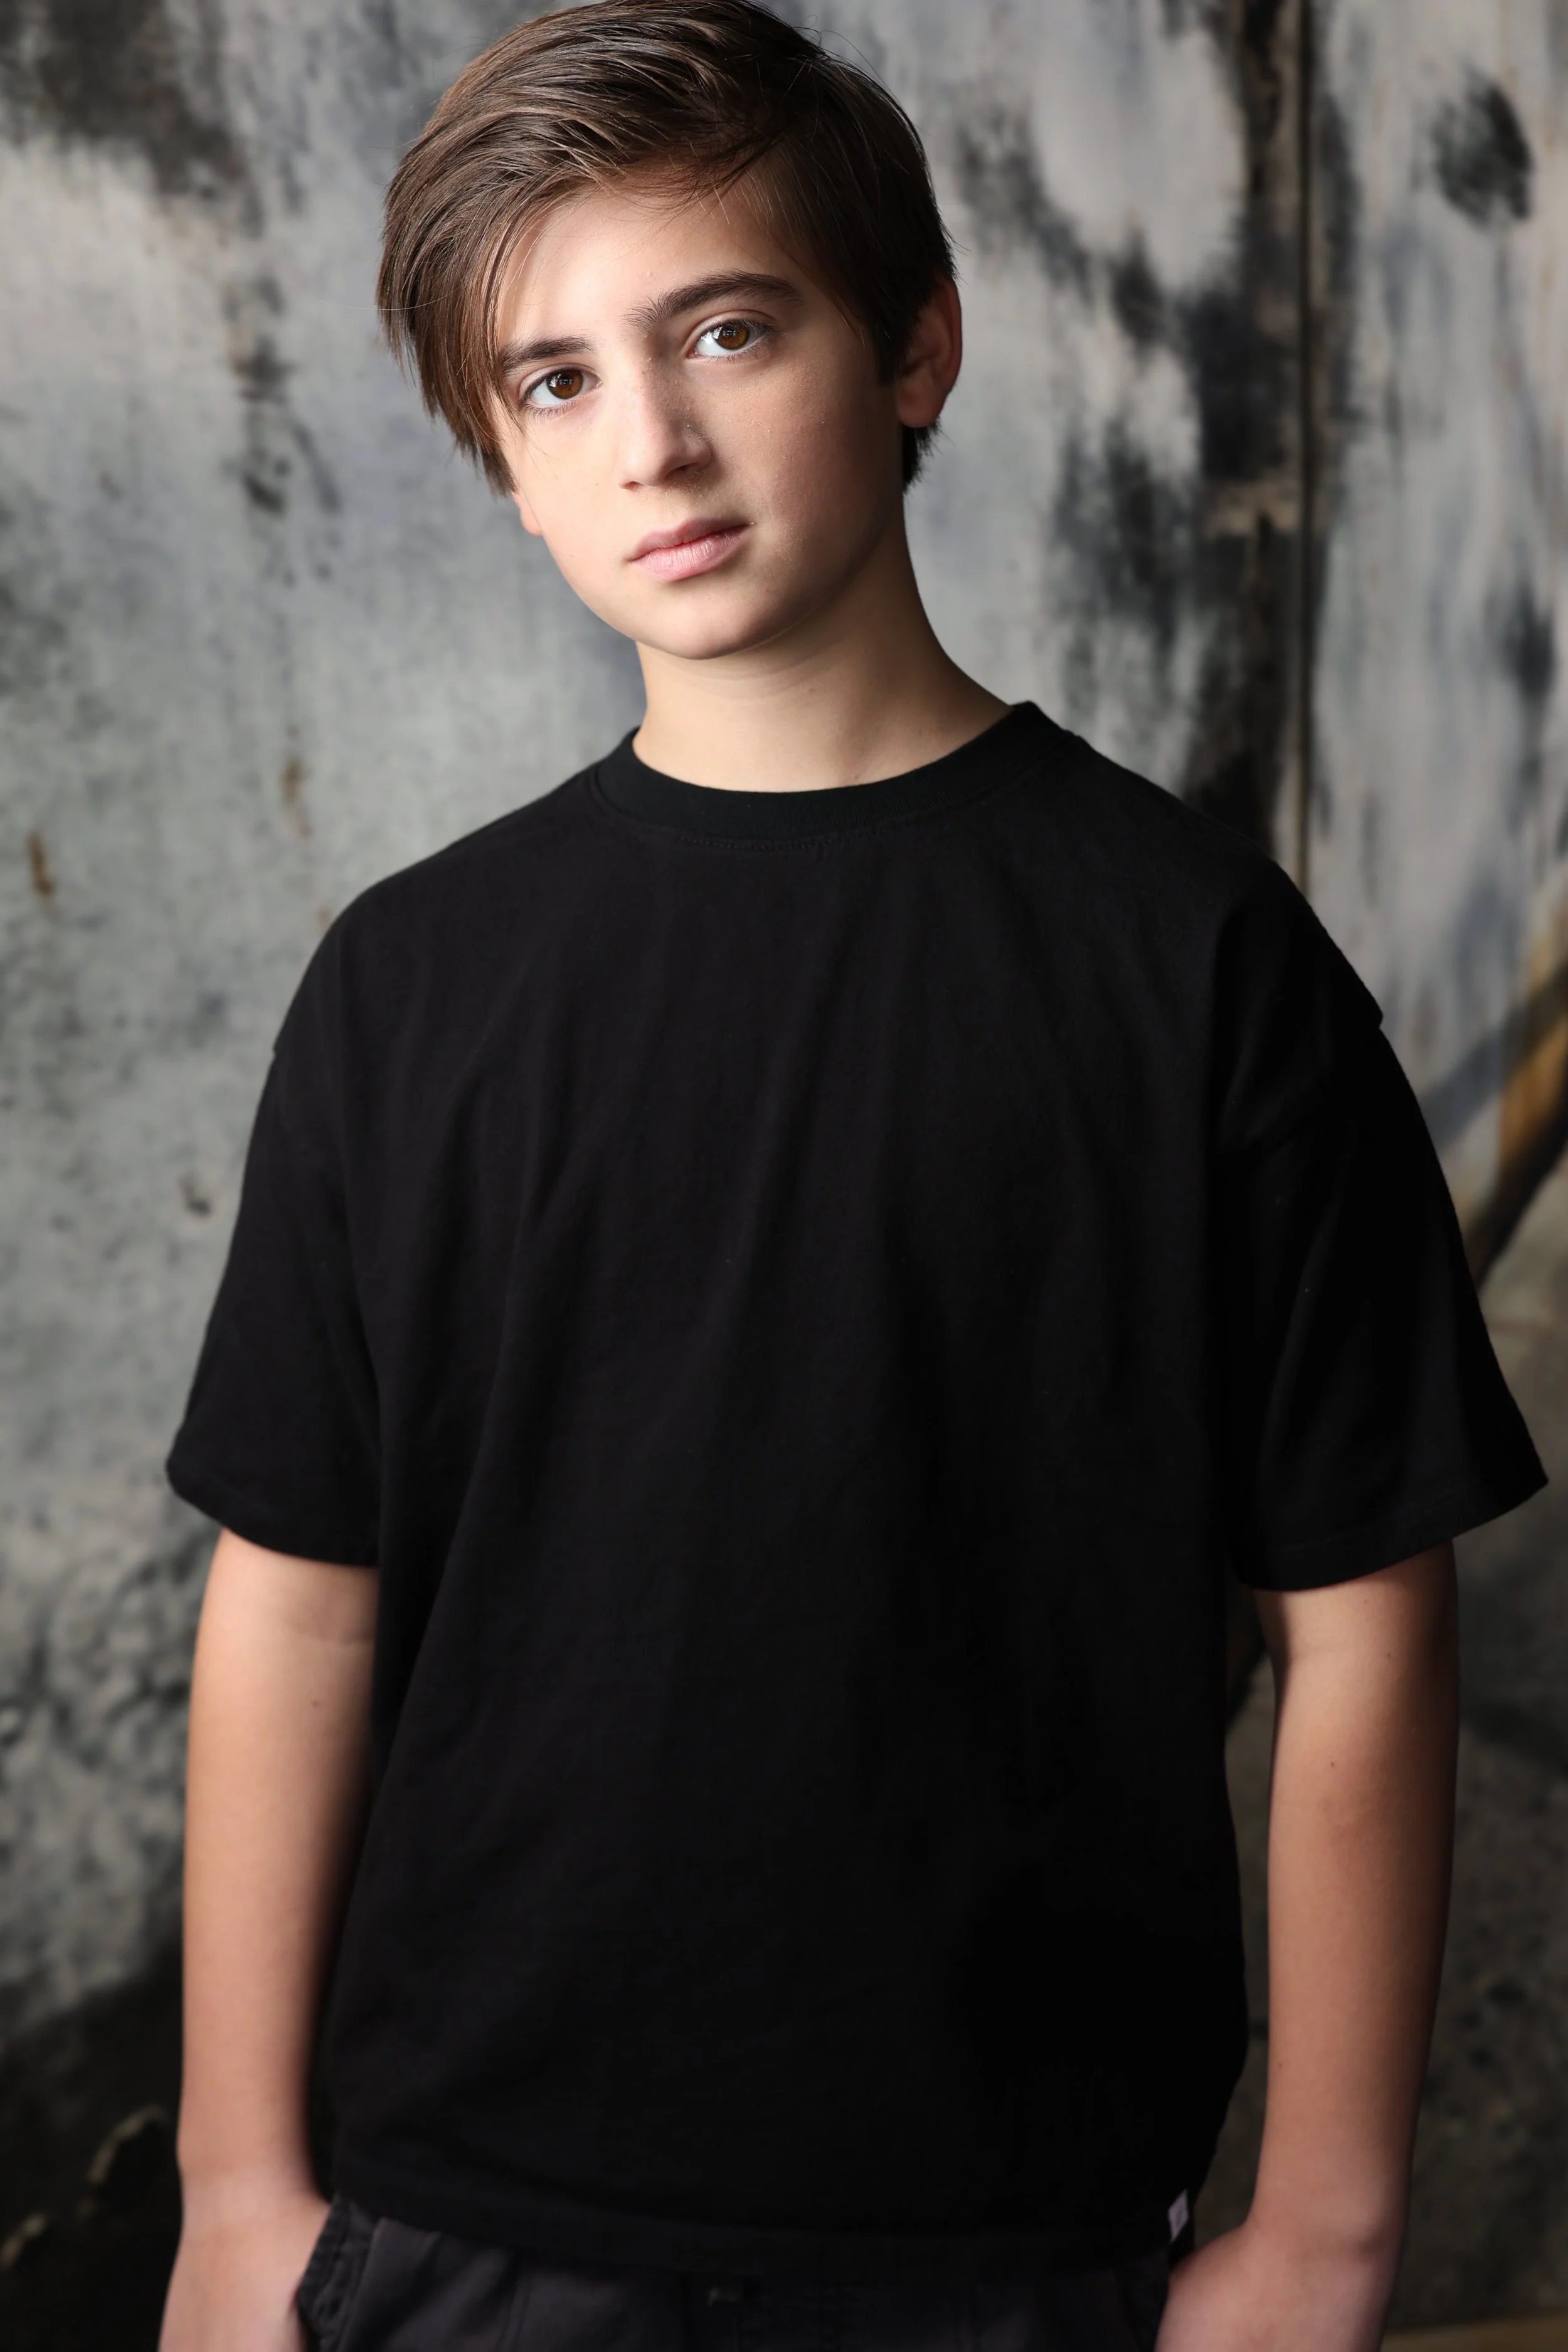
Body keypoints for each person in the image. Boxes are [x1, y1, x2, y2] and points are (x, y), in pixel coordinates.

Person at [156, 6, 1544, 2350]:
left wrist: (1318, 2229)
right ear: (500, 461)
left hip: (1008, 2224)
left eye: (724, 325)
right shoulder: (411, 984)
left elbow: (1358, 1622)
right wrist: (228, 2187)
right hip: (459, 2208)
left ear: (914, 344)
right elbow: (297, 1602)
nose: (654, 441)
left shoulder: (1198, 964)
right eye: (557, 380)